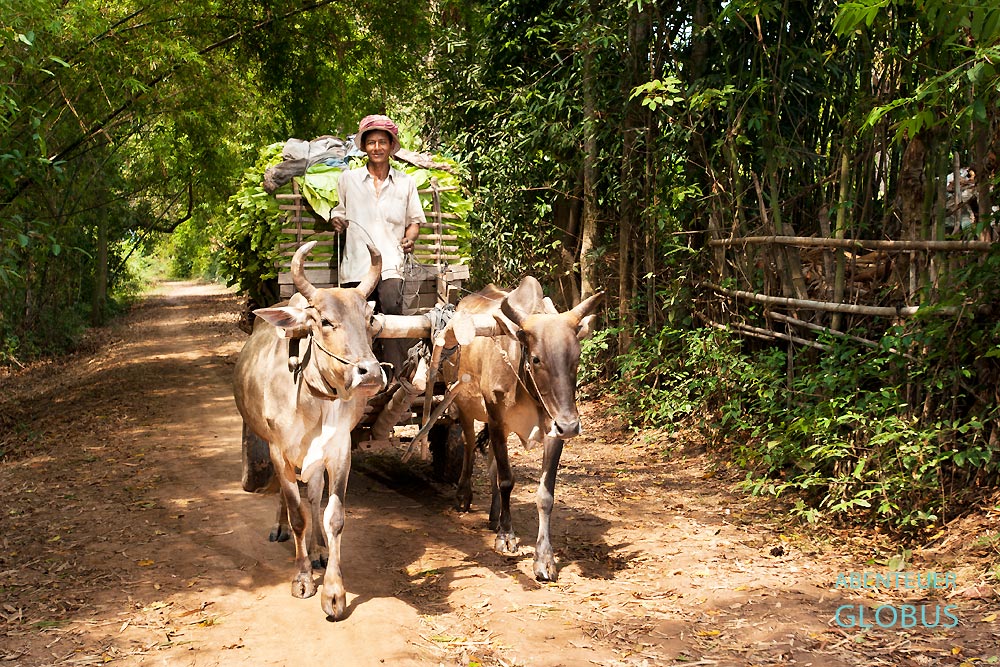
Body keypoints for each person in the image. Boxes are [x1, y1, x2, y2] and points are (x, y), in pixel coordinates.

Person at [330, 114, 425, 376]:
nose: (377, 148)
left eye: (382, 142)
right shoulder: (348, 179)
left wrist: (410, 237)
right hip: (356, 265)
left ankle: (395, 377)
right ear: (364, 147)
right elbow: (338, 211)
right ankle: (355, 373)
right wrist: (337, 220)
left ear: (391, 146)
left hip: (391, 264)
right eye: (371, 142)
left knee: (392, 311)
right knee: (354, 321)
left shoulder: (406, 183)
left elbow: (414, 221)